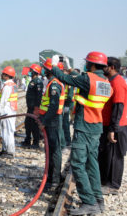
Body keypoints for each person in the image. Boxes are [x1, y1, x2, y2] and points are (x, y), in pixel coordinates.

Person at [51, 52, 112, 215]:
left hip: (84, 126)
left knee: (78, 164)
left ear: (91, 65)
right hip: (96, 127)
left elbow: (67, 80)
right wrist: (70, 69)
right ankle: (98, 200)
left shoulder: (88, 79)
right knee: (92, 164)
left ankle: (89, 201)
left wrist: (54, 66)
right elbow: (82, 81)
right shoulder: (106, 82)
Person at [99, 57, 127, 195]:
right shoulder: (111, 81)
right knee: (107, 154)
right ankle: (105, 181)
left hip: (117, 125)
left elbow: (118, 106)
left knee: (115, 156)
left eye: (105, 66)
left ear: (111, 67)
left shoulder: (118, 82)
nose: (102, 68)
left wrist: (113, 129)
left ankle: (113, 185)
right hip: (109, 124)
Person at [37, 59, 65, 190]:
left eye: (44, 68)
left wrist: (44, 122)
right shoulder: (51, 83)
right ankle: (50, 178)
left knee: (54, 150)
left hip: (52, 121)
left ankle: (54, 180)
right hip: (50, 120)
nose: (43, 70)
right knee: (50, 149)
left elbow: (53, 107)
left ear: (49, 70)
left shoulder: (54, 85)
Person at [0, 66, 18, 157]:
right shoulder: (12, 85)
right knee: (5, 131)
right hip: (10, 111)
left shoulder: (7, 86)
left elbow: (3, 101)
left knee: (8, 132)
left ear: (7, 76)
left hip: (6, 111)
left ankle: (10, 152)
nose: (1, 75)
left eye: (3, 74)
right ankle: (4, 150)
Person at [22, 64, 43, 149]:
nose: (29, 72)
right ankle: (27, 140)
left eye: (31, 70)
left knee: (34, 126)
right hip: (30, 107)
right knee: (27, 124)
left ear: (35, 72)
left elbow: (39, 96)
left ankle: (36, 142)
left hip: (34, 108)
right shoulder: (32, 81)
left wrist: (36, 108)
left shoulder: (38, 82)